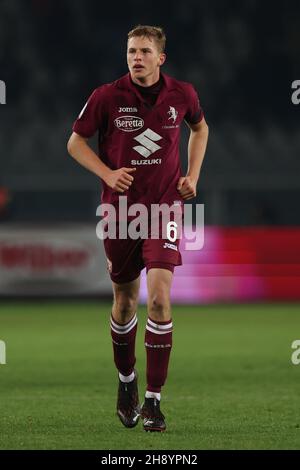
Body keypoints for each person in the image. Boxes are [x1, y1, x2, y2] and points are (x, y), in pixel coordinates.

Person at [67, 25, 209, 432]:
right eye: (131, 51)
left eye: (145, 51)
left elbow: (200, 128)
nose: (136, 58)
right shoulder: (106, 96)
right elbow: (75, 142)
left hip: (164, 208)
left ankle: (154, 400)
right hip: (120, 212)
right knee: (126, 302)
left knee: (160, 299)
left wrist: (193, 175)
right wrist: (107, 173)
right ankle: (127, 382)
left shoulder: (183, 94)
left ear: (160, 57)